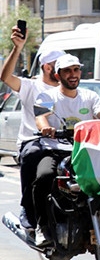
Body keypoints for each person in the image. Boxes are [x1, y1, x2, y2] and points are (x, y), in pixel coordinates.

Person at [32, 54, 100, 246]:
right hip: (57, 149)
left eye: (76, 70)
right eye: (67, 71)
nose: (73, 75)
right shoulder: (48, 96)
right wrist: (45, 127)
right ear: (57, 75)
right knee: (44, 176)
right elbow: (41, 117)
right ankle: (42, 227)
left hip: (86, 150)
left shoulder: (90, 96)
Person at [0, 25, 65, 232]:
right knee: (33, 156)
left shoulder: (69, 89)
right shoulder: (32, 86)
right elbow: (6, 78)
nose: (67, 71)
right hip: (34, 141)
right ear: (48, 67)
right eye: (60, 66)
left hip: (65, 144)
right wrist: (17, 49)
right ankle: (28, 209)